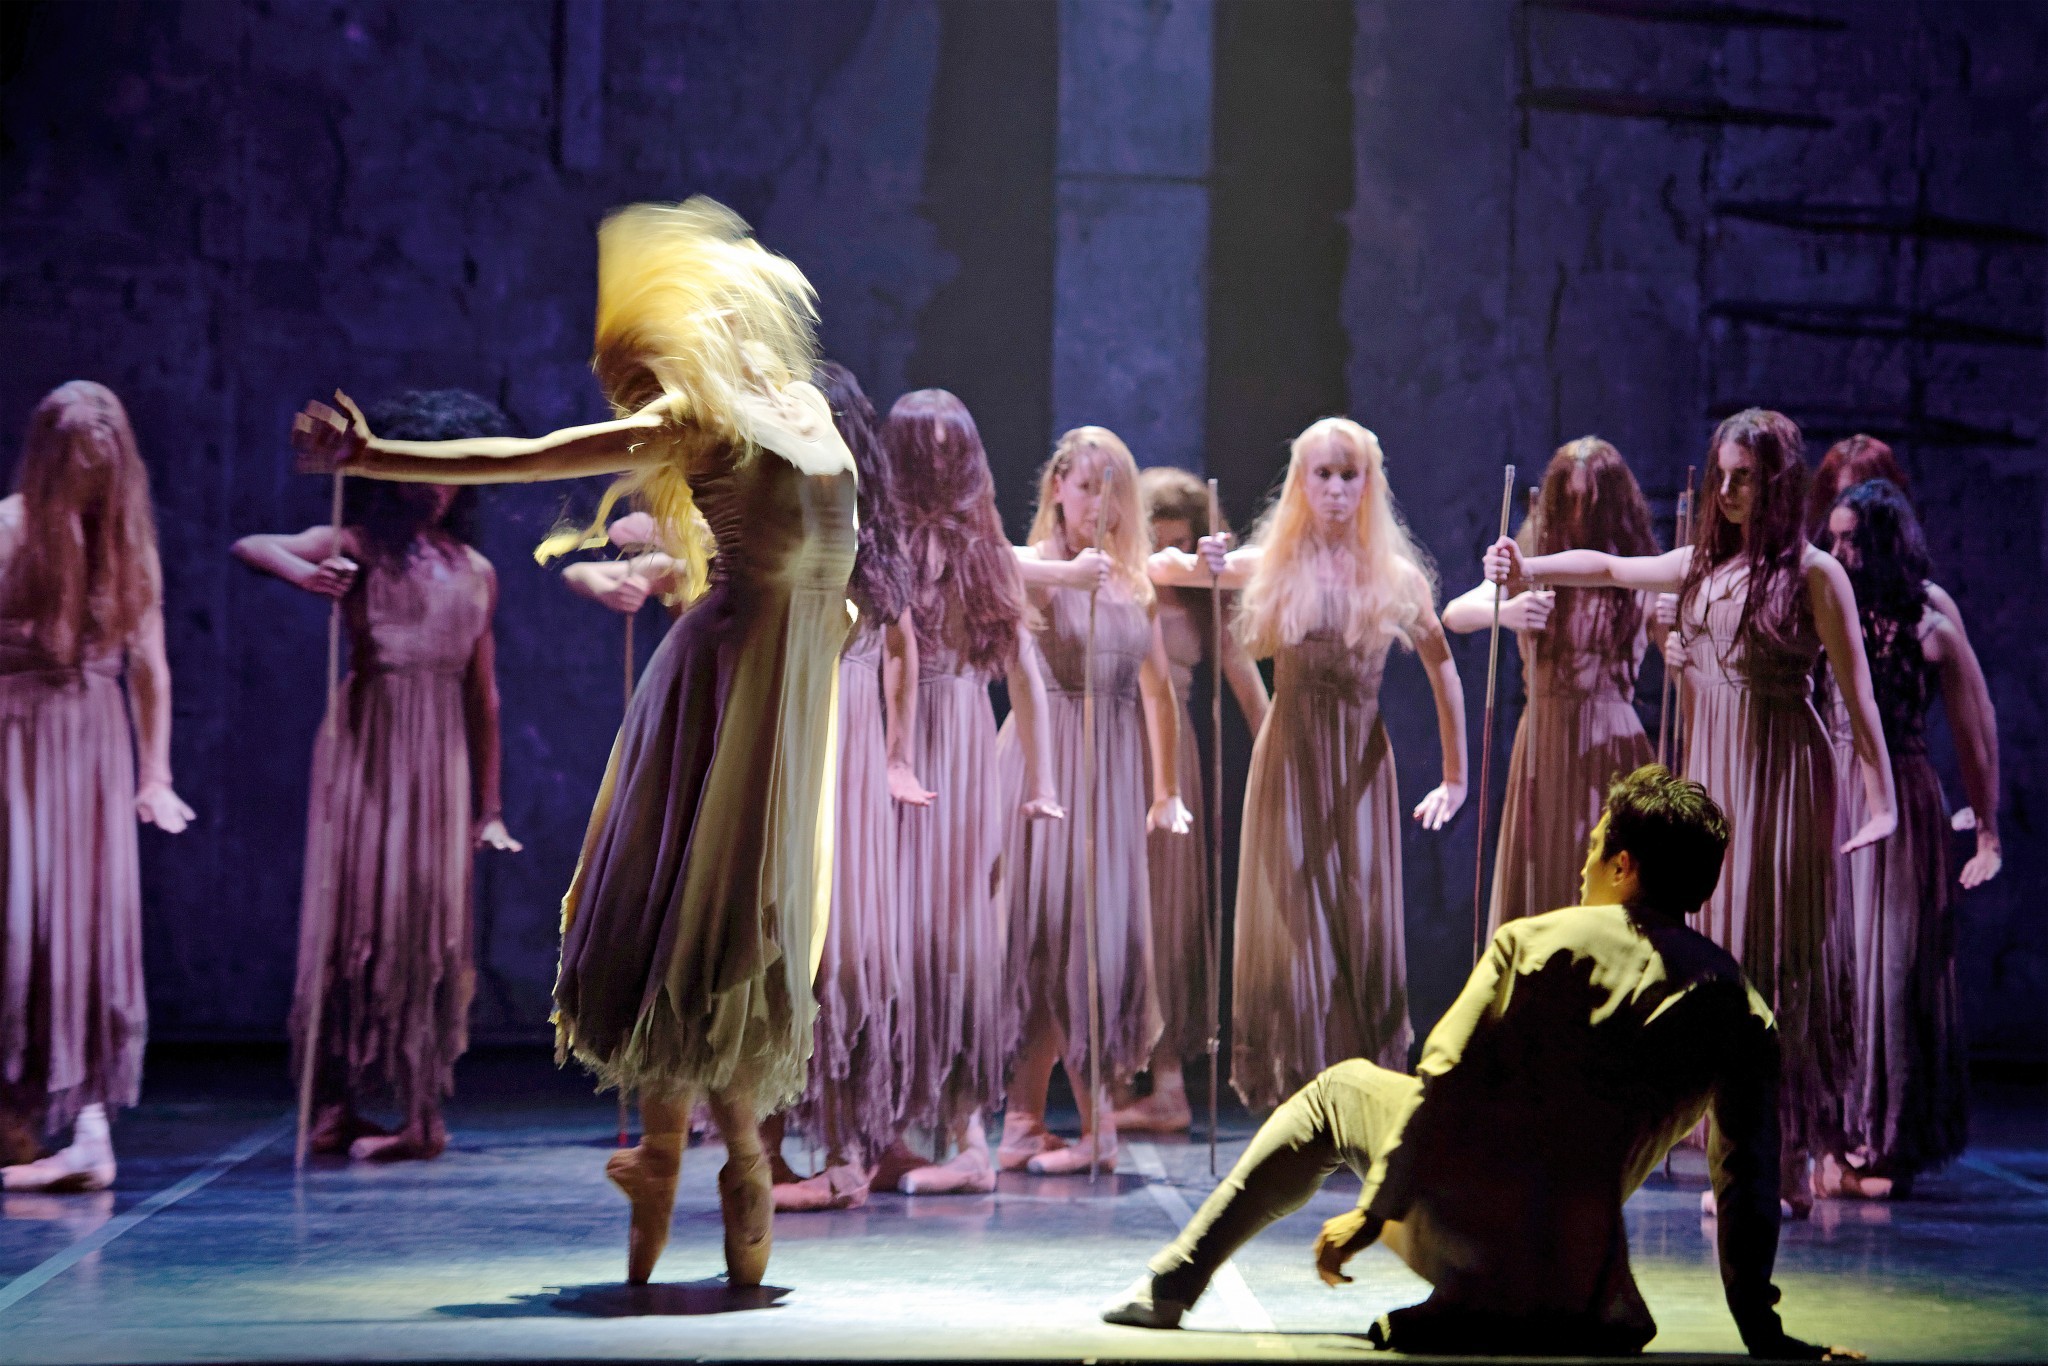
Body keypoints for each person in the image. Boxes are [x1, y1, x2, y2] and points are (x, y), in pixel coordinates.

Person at [291, 199, 855, 1287]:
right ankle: (692, 1155)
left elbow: (823, 549)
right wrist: (375, 454)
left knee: (740, 924)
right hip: (725, 689)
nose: (633, 404)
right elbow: (532, 457)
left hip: (786, 693)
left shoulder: (801, 406)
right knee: (693, 917)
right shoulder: (695, 418)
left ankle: (699, 1157)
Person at [1103, 766, 1862, 1362]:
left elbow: (1444, 1080)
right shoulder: (1741, 1006)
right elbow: (1747, 1178)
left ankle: (1173, 1284)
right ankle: (1511, 1308)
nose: (1583, 865)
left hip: (1467, 1234)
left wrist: (1373, 1212)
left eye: (1593, 847)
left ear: (1623, 865)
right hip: (1587, 1277)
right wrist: (1763, 1333)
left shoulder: (1533, 943)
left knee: (1341, 1089)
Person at [1486, 408, 1897, 1209]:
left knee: (1775, 956)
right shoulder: (1700, 568)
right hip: (1714, 774)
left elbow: (1859, 694)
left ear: (1778, 482)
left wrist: (1880, 800)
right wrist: (1526, 563)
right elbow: (1610, 567)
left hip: (1780, 776)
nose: (1731, 491)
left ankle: (1782, 1153)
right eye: (1723, 477)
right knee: (1717, 957)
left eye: (1748, 477)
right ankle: (1742, 1147)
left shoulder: (1814, 574)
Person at [233, 390, 521, 1163]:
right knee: (355, 917)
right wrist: (305, 576)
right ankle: (339, 1101)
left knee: (425, 925)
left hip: (438, 758)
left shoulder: (475, 570)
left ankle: (423, 1113)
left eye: (450, 475)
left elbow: (484, 696)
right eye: (424, 471)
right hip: (368, 744)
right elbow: (252, 545)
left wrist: (490, 806)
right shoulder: (357, 544)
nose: (438, 489)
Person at [1155, 418, 1466, 1109]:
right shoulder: (1274, 564)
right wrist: (1201, 558)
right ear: (1301, 482)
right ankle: (1300, 1090)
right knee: (1294, 922)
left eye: (1348, 475)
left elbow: (1443, 666)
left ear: (1369, 484)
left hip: (1358, 762)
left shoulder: (1394, 576)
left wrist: (1455, 776)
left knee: (1359, 916)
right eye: (1321, 475)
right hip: (1290, 756)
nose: (1335, 489)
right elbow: (1161, 570)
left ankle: (1360, 1092)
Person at [0, 381, 194, 1192]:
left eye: (101, 470)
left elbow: (149, 667)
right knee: (17, 925)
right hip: (14, 736)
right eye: (77, 467)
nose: (88, 483)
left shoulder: (124, 543)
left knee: (85, 930)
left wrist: (156, 775)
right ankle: (17, 1120)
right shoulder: (9, 528)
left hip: (91, 744)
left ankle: (87, 1131)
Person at [881, 388, 1062, 1194]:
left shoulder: (985, 552)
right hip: (886, 742)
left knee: (957, 940)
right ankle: (886, 1129)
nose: (938, 460)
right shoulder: (879, 543)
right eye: (922, 445)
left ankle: (967, 1138)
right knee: (886, 937)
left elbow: (1025, 673)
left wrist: (1044, 779)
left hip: (956, 740)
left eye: (950, 444)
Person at [999, 426, 1190, 1175]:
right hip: (1045, 765)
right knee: (1049, 942)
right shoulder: (1035, 567)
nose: (1099, 505)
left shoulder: (1132, 582)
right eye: (1085, 486)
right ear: (1057, 487)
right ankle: (1078, 1125)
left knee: (1093, 944)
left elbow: (1159, 691)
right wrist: (1061, 575)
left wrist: (1166, 791)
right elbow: (987, 570)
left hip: (1111, 775)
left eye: (1114, 491)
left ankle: (1039, 1122)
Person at [1819, 478, 2000, 1199]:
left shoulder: (1930, 627)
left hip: (1902, 796)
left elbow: (1973, 734)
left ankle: (1886, 1140)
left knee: (1892, 969)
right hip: (1835, 792)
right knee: (1835, 964)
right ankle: (1831, 1135)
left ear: (1884, 545)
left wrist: (1988, 831)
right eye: (1833, 539)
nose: (1839, 552)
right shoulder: (1822, 607)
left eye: (1852, 540)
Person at [1442, 437, 1658, 931]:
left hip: (1612, 736)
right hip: (1546, 732)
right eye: (1571, 500)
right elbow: (1455, 614)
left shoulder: (1634, 566)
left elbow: (1678, 642)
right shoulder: (1535, 557)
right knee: (1543, 866)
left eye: (1591, 502)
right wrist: (1507, 612)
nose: (1580, 514)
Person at [1118, 467, 1268, 1133]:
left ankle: (1168, 1082)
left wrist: (1280, 763)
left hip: (1170, 758)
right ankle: (1109, 1081)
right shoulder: (1116, 579)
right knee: (1110, 910)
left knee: (1167, 912)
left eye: (1181, 544)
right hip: (1107, 744)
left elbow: (1248, 687)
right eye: (1158, 543)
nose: (1169, 557)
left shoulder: (1208, 599)